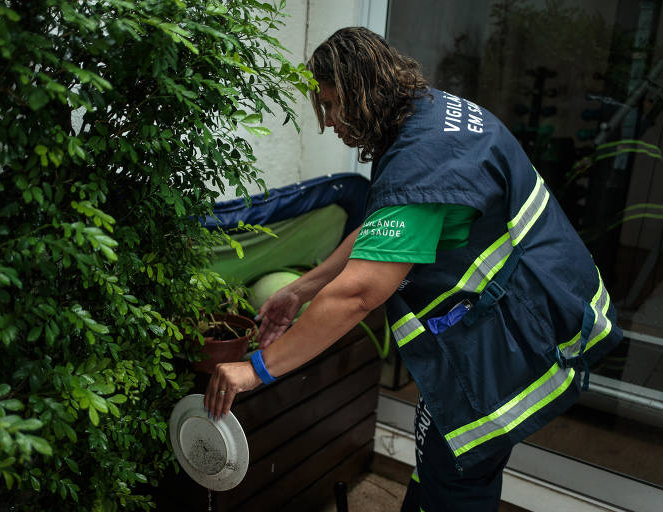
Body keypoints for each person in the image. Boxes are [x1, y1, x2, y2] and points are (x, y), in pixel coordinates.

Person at [204, 27, 623, 511]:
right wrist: (301, 289)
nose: (330, 122)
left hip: (511, 340)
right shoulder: (428, 115)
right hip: (534, 305)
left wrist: (255, 370)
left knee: (457, 481)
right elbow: (387, 228)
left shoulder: (421, 162)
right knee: (444, 465)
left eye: (331, 104)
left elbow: (358, 294)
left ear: (360, 93)